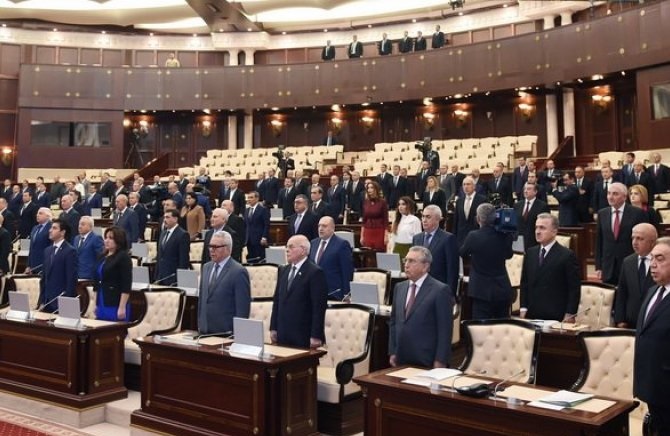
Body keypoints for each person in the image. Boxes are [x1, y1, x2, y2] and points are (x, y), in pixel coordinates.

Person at [388, 246, 453, 368]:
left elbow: (445, 330)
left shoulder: (440, 290)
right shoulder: (399, 287)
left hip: (426, 359)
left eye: (411, 261)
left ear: (425, 266)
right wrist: (393, 351)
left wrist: (440, 360)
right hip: (401, 357)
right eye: (405, 260)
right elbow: (393, 322)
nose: (406, 265)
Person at [634, 237, 670, 435]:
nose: (653, 264)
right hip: (651, 384)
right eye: (652, 258)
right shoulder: (652, 291)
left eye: (660, 259)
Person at [520, 213, 581, 322]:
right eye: (536, 227)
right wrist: (523, 308)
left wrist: (570, 313)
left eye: (542, 228)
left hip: (556, 315)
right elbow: (525, 283)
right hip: (532, 313)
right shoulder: (530, 253)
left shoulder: (567, 255)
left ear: (554, 231)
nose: (537, 231)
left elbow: (574, 288)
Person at [270, 235, 328, 349]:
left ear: (303, 250)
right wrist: (273, 327)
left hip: (303, 335)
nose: (287, 250)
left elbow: (318, 307)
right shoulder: (283, 270)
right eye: (287, 247)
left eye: (291, 247)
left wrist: (316, 335)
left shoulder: (315, 272)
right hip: (283, 333)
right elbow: (277, 301)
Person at [460, 203, 514, 319]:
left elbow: (462, 253)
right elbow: (509, 255)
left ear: (478, 218)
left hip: (480, 291)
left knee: (481, 327)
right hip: (502, 288)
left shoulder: (473, 236)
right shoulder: (505, 235)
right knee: (502, 325)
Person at [198, 230, 251, 334]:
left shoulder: (238, 272)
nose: (211, 250)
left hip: (225, 333)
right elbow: (202, 300)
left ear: (227, 248)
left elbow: (242, 309)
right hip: (204, 331)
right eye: (210, 246)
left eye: (215, 247)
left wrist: (237, 333)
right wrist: (200, 323)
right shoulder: (206, 267)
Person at [595, 182, 647, 285]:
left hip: (629, 264)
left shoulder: (637, 213)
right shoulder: (602, 213)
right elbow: (599, 241)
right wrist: (598, 266)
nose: (610, 197)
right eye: (609, 193)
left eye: (615, 194)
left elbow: (643, 240)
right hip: (608, 265)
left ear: (624, 196)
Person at [615, 223, 657, 328]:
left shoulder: (660, 262)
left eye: (640, 239)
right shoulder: (628, 261)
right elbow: (622, 293)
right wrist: (620, 320)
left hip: (654, 321)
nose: (634, 242)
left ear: (652, 242)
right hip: (630, 322)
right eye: (633, 238)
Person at [412, 205, 459, 294]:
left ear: (437, 219)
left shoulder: (448, 239)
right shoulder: (416, 238)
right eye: (423, 216)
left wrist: (450, 293)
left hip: (438, 289)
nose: (424, 220)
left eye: (428, 217)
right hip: (418, 288)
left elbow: (452, 269)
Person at [310, 217, 353, 301]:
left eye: (324, 226)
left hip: (333, 293)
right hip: (314, 292)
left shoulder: (342, 244)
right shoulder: (313, 243)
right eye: (319, 226)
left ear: (333, 228)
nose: (320, 229)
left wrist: (346, 293)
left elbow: (346, 271)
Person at [39, 219, 77, 313]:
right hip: (47, 301)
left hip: (61, 302)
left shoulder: (70, 251)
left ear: (63, 232)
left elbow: (71, 279)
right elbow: (44, 278)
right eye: (51, 228)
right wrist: (42, 300)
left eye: (54, 228)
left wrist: (67, 302)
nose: (50, 230)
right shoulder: (47, 250)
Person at [96, 226, 132, 321]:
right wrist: (96, 303)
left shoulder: (123, 257)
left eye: (111, 238)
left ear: (119, 240)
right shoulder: (102, 256)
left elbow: (126, 285)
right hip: (102, 299)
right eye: (106, 238)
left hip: (115, 302)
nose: (107, 241)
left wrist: (122, 307)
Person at [156, 209, 190, 284]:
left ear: (175, 219)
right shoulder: (163, 233)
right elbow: (159, 256)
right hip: (160, 277)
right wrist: (157, 275)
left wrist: (179, 279)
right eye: (164, 217)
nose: (164, 220)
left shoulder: (183, 235)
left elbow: (183, 260)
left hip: (173, 278)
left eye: (167, 217)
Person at [514, 182, 549, 251]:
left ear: (535, 192)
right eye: (525, 189)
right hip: (518, 240)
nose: (525, 191)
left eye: (529, 189)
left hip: (534, 241)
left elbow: (545, 226)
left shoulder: (542, 206)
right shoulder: (517, 205)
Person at [453, 176, 487, 248]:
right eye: (464, 184)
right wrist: (454, 237)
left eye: (468, 184)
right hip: (461, 239)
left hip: (476, 238)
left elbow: (485, 221)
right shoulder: (459, 201)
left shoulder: (482, 200)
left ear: (474, 186)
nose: (466, 187)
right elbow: (456, 220)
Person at [73, 216, 104, 280]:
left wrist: (96, 274)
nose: (79, 226)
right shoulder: (76, 238)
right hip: (76, 275)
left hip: (90, 276)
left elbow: (101, 258)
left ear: (90, 227)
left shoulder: (96, 238)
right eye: (79, 224)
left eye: (83, 224)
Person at [361, 181, 388, 252]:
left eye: (371, 187)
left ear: (376, 189)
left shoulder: (382, 202)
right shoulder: (366, 202)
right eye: (368, 188)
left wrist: (386, 236)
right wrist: (362, 236)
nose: (369, 189)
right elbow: (364, 221)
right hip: (368, 231)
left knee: (379, 252)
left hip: (379, 231)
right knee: (368, 253)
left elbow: (385, 220)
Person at [244, 191, 270, 263]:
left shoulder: (263, 210)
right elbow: (246, 225)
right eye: (248, 198)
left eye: (251, 197)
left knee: (259, 260)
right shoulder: (246, 210)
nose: (249, 199)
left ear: (257, 198)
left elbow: (266, 225)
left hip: (259, 239)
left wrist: (264, 237)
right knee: (250, 260)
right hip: (248, 240)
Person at [26, 208, 52, 275]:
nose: (37, 215)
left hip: (44, 265)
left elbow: (52, 248)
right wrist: (28, 265)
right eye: (37, 213)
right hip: (33, 266)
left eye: (40, 213)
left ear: (47, 216)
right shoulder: (35, 228)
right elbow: (31, 248)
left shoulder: (51, 228)